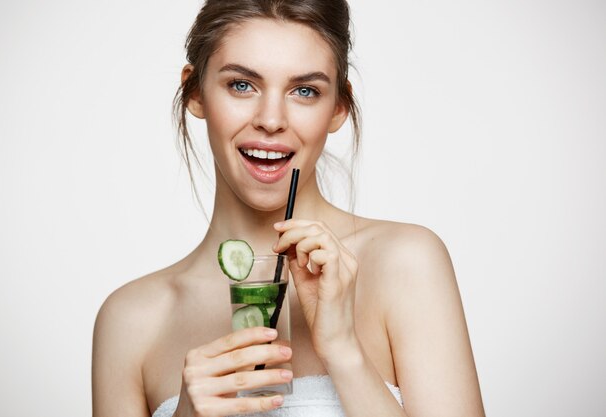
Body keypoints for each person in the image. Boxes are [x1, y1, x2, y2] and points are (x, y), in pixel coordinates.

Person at [92, 1, 486, 416]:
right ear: (194, 92)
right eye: (242, 85)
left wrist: (343, 351)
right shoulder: (131, 321)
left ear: (338, 107)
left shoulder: (406, 263)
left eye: (305, 91)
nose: (272, 119)